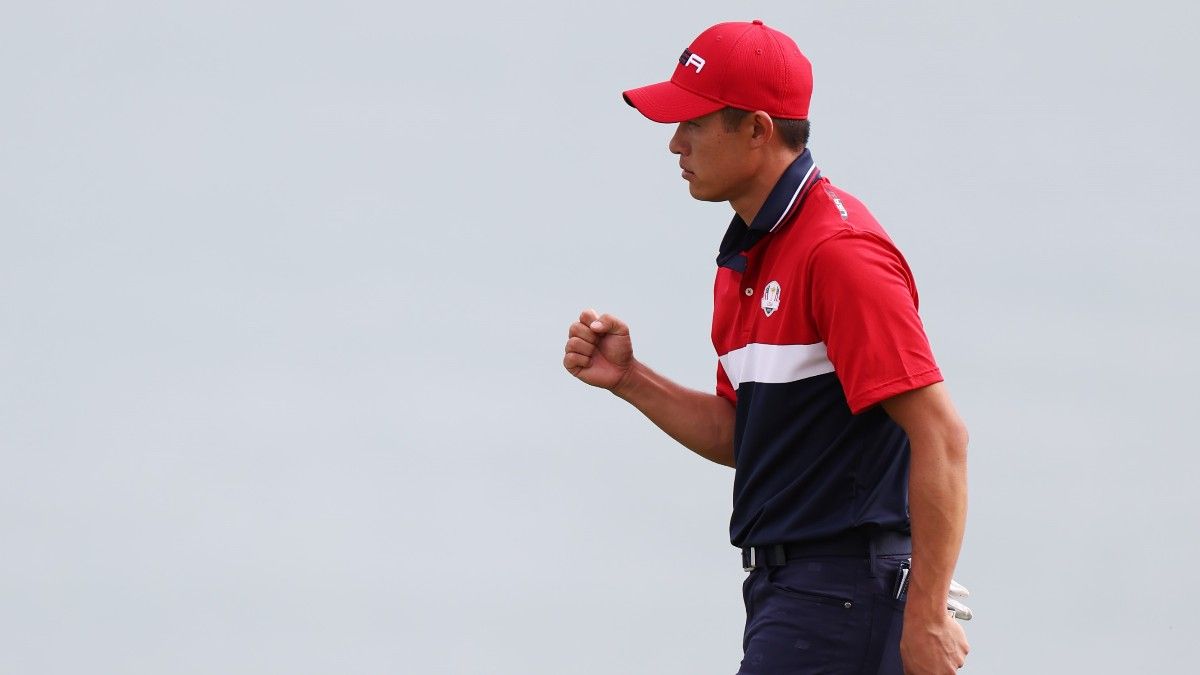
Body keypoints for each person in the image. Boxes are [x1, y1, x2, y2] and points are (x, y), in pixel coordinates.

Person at [562, 20, 970, 675]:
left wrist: (923, 613)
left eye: (693, 122)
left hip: (840, 596)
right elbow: (742, 435)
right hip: (793, 593)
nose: (674, 143)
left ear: (756, 129)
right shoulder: (747, 257)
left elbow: (943, 435)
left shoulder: (839, 252)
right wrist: (631, 378)